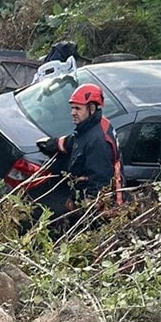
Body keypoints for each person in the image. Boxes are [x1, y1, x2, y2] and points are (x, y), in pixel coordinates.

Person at [35, 83, 124, 224]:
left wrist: (82, 209)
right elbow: (76, 140)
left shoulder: (98, 142)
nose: (72, 113)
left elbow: (100, 184)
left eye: (77, 108)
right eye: (72, 108)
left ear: (92, 108)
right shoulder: (94, 124)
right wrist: (54, 144)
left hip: (99, 212)